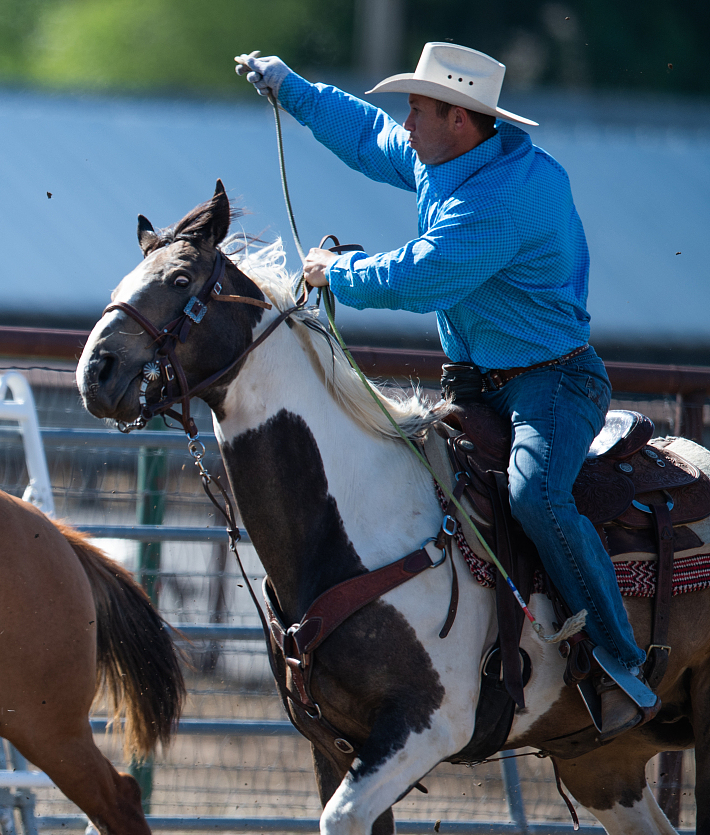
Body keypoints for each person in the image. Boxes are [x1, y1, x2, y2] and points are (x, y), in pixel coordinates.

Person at [234, 42, 657, 735]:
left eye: (417, 110)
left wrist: (336, 273)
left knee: (536, 493)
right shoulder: (454, 159)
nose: (404, 123)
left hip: (552, 384)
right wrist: (292, 88)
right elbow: (369, 137)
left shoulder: (506, 195)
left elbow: (423, 276)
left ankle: (618, 660)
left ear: (458, 119)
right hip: (481, 382)